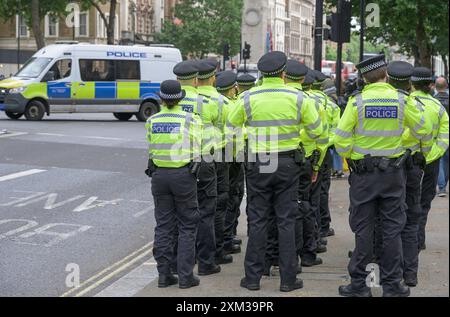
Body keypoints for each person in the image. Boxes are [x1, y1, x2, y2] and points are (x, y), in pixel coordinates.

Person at [335, 55, 430, 297]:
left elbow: (341, 139)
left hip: (364, 176)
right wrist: (402, 143)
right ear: (385, 74)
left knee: (364, 230)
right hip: (393, 175)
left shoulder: (356, 102)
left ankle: (360, 286)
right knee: (392, 229)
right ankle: (392, 285)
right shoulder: (401, 100)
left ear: (364, 78)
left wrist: (353, 156)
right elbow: (423, 129)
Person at [228, 51, 323, 292]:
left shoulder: (248, 98)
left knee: (258, 220)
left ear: (261, 73)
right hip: (288, 163)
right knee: (286, 220)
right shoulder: (299, 98)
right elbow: (316, 131)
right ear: (283, 73)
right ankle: (288, 280)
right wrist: (295, 136)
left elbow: (231, 128)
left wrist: (248, 144)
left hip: (259, 163)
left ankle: (252, 278)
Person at [146, 80, 202, 289]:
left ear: (161, 98)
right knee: (187, 225)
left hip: (159, 177)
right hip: (183, 176)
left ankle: (163, 274)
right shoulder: (191, 120)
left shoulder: (152, 120)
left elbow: (151, 150)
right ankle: (186, 276)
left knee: (163, 226)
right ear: (180, 98)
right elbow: (198, 150)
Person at [173, 60, 221, 276]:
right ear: (195, 80)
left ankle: (180, 263)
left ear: (177, 80)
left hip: (175, 164)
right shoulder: (206, 102)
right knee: (205, 213)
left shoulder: (168, 102)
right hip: (203, 161)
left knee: (179, 215)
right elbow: (223, 130)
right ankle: (206, 263)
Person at [387, 61, 432, 287]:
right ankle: (410, 274)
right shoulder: (410, 103)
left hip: (388, 167)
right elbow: (424, 130)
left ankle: (390, 272)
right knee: (411, 220)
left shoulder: (375, 101)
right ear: (409, 83)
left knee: (388, 220)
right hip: (412, 165)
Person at [196, 59, 233, 266]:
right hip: (217, 158)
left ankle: (191, 252)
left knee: (191, 208)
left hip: (187, 158)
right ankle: (214, 254)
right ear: (212, 78)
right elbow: (233, 132)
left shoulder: (186, 100)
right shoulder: (222, 102)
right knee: (216, 207)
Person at [411, 68, 449, 252]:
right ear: (431, 85)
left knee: (407, 199)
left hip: (407, 160)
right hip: (430, 161)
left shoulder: (406, 102)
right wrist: (432, 155)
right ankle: (419, 237)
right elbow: (444, 136)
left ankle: (409, 237)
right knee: (424, 201)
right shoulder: (438, 107)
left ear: (412, 84)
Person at [216, 71, 244, 255]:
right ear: (232, 88)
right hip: (229, 158)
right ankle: (225, 240)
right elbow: (235, 134)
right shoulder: (228, 105)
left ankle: (221, 240)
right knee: (228, 199)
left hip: (207, 157)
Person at [435, 77, 449, 197]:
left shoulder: (433, 101)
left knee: (439, 160)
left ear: (435, 86)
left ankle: (442, 187)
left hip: (438, 135)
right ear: (446, 86)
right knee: (447, 161)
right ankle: (444, 184)